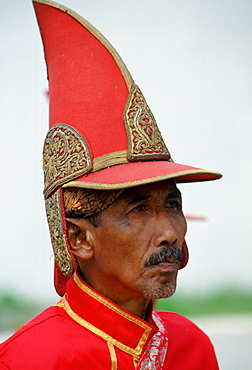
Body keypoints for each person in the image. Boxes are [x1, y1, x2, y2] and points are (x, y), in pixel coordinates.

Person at [0, 0, 222, 369]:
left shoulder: (192, 345)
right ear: (79, 239)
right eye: (138, 208)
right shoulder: (29, 359)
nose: (170, 232)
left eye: (172, 203)